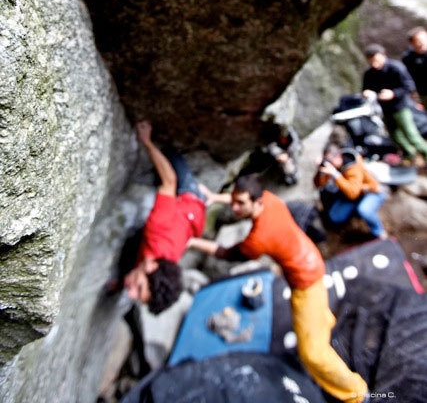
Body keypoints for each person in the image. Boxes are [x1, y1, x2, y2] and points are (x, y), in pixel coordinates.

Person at [188, 174, 368, 403]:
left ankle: (358, 394)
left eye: (240, 203)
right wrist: (214, 197)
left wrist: (193, 242)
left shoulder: (258, 238)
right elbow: (242, 198)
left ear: (256, 202)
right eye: (232, 200)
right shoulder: (270, 199)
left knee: (312, 354)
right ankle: (324, 324)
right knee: (315, 314)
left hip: (305, 280)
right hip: (311, 258)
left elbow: (226, 253)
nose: (234, 207)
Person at [122, 120, 227, 314]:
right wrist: (147, 142)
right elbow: (170, 181)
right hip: (191, 196)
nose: (131, 295)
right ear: (152, 266)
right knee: (170, 152)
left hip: (192, 220)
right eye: (139, 289)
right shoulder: (157, 231)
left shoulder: (162, 264)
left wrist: (120, 282)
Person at [362, 43, 427, 166]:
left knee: (411, 134)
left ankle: (425, 153)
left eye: (375, 60)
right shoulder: (369, 73)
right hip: (384, 109)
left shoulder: (396, 67)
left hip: (400, 107)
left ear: (382, 55)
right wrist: (367, 93)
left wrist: (393, 93)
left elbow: (409, 86)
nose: (374, 64)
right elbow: (365, 88)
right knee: (395, 136)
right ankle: (410, 155)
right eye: (371, 61)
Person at [313, 143, 388, 239]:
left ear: (338, 157)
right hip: (354, 194)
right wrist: (320, 170)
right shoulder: (334, 165)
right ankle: (355, 212)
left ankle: (379, 232)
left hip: (371, 192)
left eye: (330, 161)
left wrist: (335, 174)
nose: (329, 164)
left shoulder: (353, 167)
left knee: (364, 210)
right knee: (335, 217)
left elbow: (353, 194)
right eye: (327, 160)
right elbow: (319, 184)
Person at [402, 26, 427, 109]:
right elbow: (408, 79)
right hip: (424, 93)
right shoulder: (408, 58)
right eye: (419, 40)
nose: (423, 42)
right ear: (412, 43)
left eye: (424, 38)